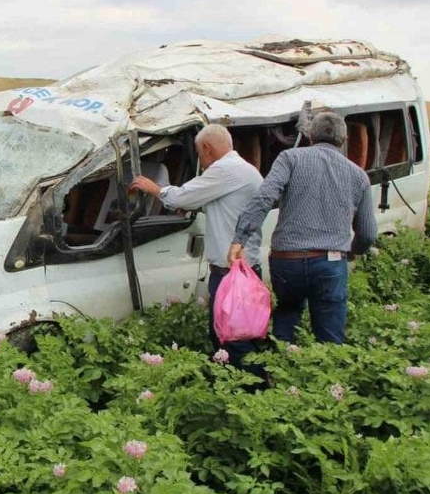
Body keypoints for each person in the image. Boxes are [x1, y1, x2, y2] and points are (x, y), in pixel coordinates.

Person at [227, 111, 377, 345]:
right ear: (344, 140)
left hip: (287, 260)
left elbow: (264, 198)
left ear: (310, 136)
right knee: (330, 335)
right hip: (330, 262)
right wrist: (353, 251)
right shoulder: (358, 176)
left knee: (287, 313)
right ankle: (326, 366)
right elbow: (367, 233)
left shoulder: (289, 158)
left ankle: (281, 361)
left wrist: (240, 238)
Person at [130, 124, 266, 375]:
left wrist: (154, 189)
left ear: (206, 148)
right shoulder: (245, 170)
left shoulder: (224, 170)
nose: (201, 162)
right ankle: (239, 385)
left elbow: (182, 196)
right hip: (245, 268)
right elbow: (225, 208)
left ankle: (253, 386)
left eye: (199, 154)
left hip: (231, 274)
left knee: (233, 340)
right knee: (235, 335)